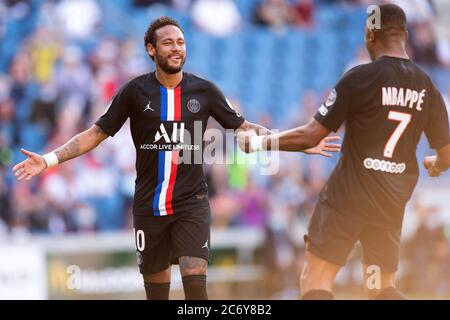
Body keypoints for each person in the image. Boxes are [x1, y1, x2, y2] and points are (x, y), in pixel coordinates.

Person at [12, 17, 338, 300]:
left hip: (191, 203)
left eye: (181, 42)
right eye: (167, 42)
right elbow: (95, 134)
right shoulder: (134, 92)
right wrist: (49, 159)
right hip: (149, 206)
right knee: (157, 293)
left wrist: (294, 142)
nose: (176, 48)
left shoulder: (205, 91)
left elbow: (245, 129)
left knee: (196, 284)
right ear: (151, 50)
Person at [239, 4, 450, 300]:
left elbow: (312, 135)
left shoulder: (359, 78)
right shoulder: (429, 88)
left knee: (316, 279)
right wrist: (435, 163)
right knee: (380, 288)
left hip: (347, 198)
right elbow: (447, 155)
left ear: (369, 35)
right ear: (404, 34)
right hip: (389, 202)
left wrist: (260, 142)